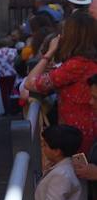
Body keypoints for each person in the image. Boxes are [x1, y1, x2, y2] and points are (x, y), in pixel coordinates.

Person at [24, 10, 97, 154]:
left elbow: (30, 83)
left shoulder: (76, 65)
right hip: (88, 130)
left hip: (77, 136)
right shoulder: (88, 61)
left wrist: (49, 53)